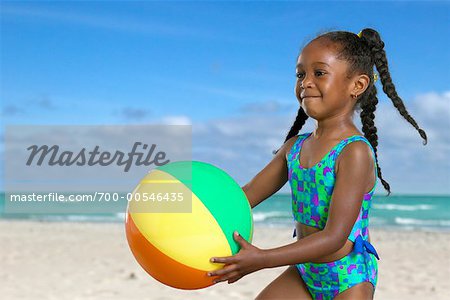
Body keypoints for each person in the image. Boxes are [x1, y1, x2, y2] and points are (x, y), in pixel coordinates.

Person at [207, 28, 427, 299]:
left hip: (348, 278)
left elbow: (335, 237)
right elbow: (245, 196)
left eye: (319, 73)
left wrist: (262, 259)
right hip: (304, 271)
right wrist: (196, 209)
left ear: (357, 85)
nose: (306, 83)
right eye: (301, 74)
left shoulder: (354, 152)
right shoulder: (294, 148)